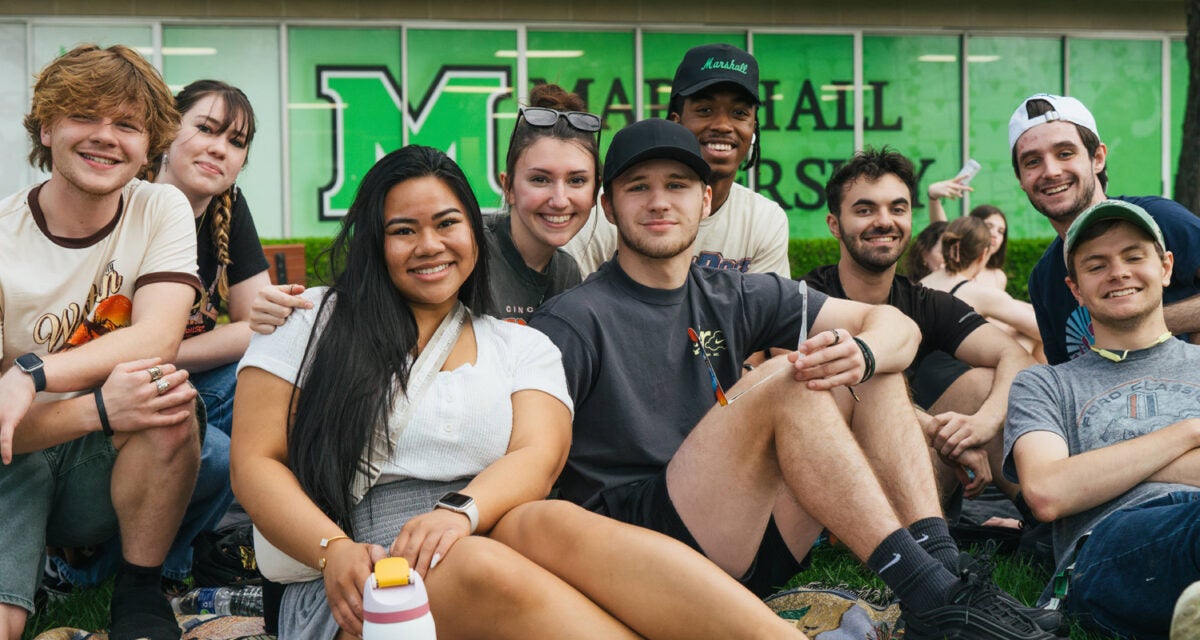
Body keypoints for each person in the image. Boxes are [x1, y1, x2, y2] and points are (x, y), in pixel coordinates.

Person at [231, 144, 802, 640]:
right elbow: (256, 462)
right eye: (403, 230)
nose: (429, 245)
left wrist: (460, 512)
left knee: (553, 522)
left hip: (483, 527)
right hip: (351, 581)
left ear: (475, 233)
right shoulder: (306, 323)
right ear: (374, 242)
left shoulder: (519, 345)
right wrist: (333, 551)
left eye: (447, 223)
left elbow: (540, 454)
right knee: (479, 563)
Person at [531, 119, 1055, 640]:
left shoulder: (731, 292)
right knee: (790, 376)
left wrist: (866, 354)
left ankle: (946, 576)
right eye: (638, 187)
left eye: (677, 185)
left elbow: (896, 326)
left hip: (746, 532)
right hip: (645, 549)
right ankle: (930, 593)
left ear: (706, 199)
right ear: (608, 207)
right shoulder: (574, 320)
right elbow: (533, 468)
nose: (659, 202)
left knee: (866, 366)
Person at [0, 44, 202, 640]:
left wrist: (29, 372)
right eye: (84, 116)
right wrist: (99, 407)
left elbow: (159, 336)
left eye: (127, 125)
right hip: (15, 461)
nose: (105, 137)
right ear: (47, 126)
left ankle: (139, 592)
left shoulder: (159, 205)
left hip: (98, 460)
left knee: (167, 395)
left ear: (149, 145)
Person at [42, 80, 270, 594]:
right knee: (211, 451)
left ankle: (173, 565)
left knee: (262, 384)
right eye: (207, 129)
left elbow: (261, 327)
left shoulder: (226, 208)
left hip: (164, 374)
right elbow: (86, 355)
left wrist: (165, 346)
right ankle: (88, 573)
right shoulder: (120, 202)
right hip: (92, 393)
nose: (220, 148)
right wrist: (159, 346)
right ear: (166, 134)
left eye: (236, 142)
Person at [250, 83, 600, 331]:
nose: (559, 198)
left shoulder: (566, 273)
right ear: (507, 186)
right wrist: (291, 312)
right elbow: (369, 294)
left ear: (596, 190)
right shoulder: (463, 249)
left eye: (576, 180)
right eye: (540, 179)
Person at [1004, 199, 1200, 639]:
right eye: (1097, 265)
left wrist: (1098, 470)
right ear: (1075, 289)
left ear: (1166, 268)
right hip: (1108, 551)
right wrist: (1190, 432)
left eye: (1134, 257)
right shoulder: (1044, 385)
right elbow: (1047, 491)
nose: (1118, 272)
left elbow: (1069, 481)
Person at [803, 148, 1035, 507]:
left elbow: (1017, 357)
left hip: (911, 471)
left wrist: (983, 423)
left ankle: (1047, 517)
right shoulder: (807, 296)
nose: (884, 221)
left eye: (897, 208)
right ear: (834, 224)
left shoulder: (925, 302)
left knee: (985, 384)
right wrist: (934, 429)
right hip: (828, 480)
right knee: (875, 378)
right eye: (865, 210)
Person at [564, 42, 790, 278]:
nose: (723, 125)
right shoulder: (615, 212)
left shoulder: (763, 220)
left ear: (753, 128)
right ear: (676, 121)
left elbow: (768, 312)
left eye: (739, 113)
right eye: (705, 110)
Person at [1009, 93, 1200, 364]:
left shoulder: (1159, 219)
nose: (1050, 171)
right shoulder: (1043, 280)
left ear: (1097, 157)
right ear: (1020, 178)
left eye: (1065, 153)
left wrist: (1140, 323)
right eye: (1032, 162)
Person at [921, 216, 1043, 361]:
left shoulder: (925, 282)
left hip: (918, 367)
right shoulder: (977, 292)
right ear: (984, 254)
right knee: (1030, 334)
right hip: (953, 374)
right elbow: (1044, 330)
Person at [927, 177, 1009, 290]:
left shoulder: (998, 277)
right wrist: (933, 197)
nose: (994, 234)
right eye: (989, 226)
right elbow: (940, 228)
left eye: (1001, 231)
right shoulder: (954, 266)